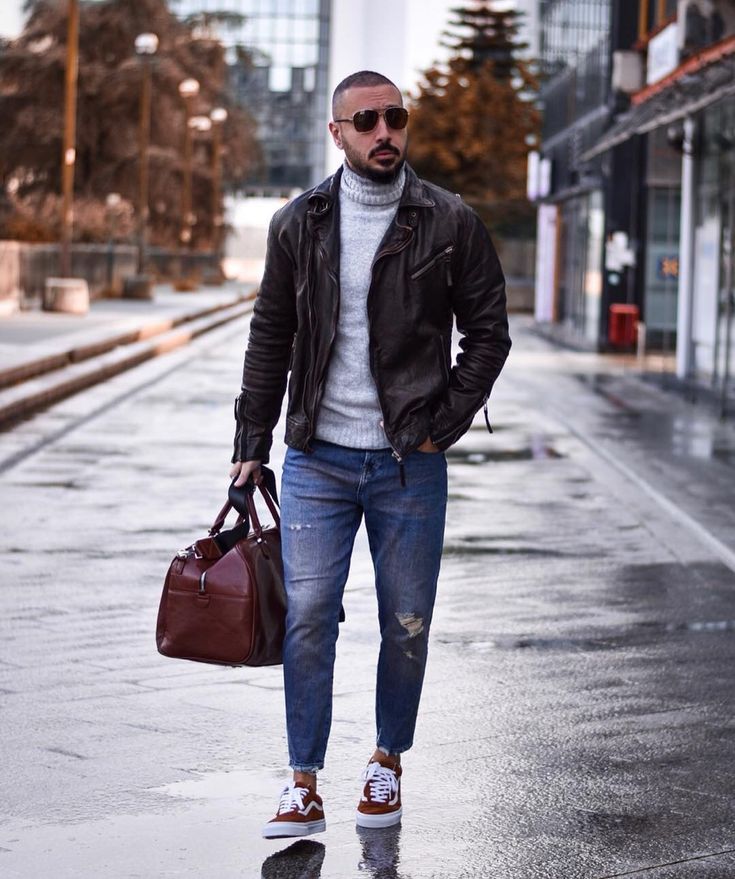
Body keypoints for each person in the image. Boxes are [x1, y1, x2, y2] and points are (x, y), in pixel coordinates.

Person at [230, 70, 511, 839]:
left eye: (394, 117)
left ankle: (387, 759)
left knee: (406, 620)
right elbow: (270, 336)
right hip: (316, 458)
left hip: (407, 461)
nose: (383, 131)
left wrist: (441, 424)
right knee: (308, 616)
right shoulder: (298, 223)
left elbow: (488, 333)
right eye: (365, 121)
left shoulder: (448, 221)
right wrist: (250, 443)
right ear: (337, 133)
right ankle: (302, 781)